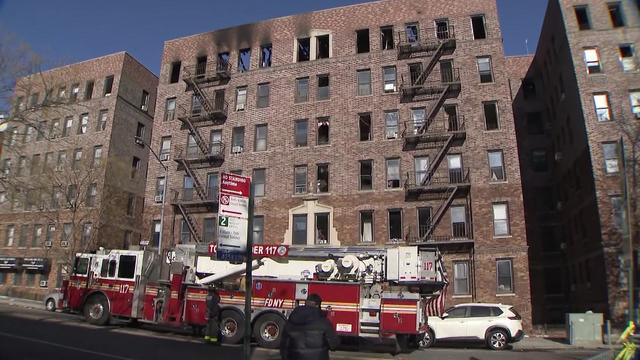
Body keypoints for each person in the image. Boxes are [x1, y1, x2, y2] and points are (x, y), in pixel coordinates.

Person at [280, 293, 339, 360]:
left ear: (305, 303)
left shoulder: (291, 320)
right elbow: (334, 344)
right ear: (317, 305)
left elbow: (284, 344)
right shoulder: (324, 322)